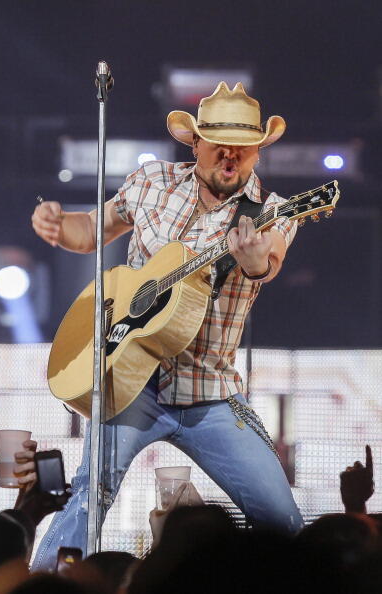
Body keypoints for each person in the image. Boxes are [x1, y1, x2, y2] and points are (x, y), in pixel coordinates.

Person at [31, 81, 304, 569]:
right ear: (194, 142)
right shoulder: (151, 181)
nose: (230, 157)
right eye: (218, 143)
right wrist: (58, 226)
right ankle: (39, 584)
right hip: (131, 383)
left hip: (211, 396)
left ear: (257, 152)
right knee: (87, 500)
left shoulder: (271, 213)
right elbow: (92, 230)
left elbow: (269, 262)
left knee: (283, 522)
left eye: (242, 148)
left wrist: (257, 261)